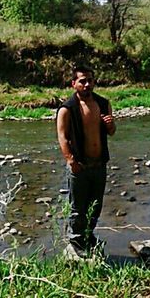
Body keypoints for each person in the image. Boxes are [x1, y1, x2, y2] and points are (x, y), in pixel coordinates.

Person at [56, 65, 115, 258]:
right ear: (74, 84)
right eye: (82, 80)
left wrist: (110, 125)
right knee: (77, 207)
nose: (87, 84)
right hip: (79, 165)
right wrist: (71, 161)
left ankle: (88, 236)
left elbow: (112, 132)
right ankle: (76, 240)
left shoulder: (103, 103)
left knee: (95, 205)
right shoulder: (67, 109)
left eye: (90, 80)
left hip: (99, 164)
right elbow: (62, 137)